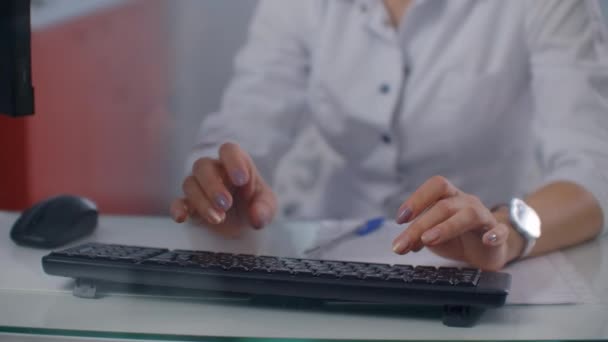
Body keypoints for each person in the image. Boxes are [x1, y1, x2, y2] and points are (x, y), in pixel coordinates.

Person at [170, 0, 608, 271]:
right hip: (327, 257)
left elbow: (591, 169)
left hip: (480, 261)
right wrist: (225, 182)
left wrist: (505, 233)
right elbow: (248, 119)